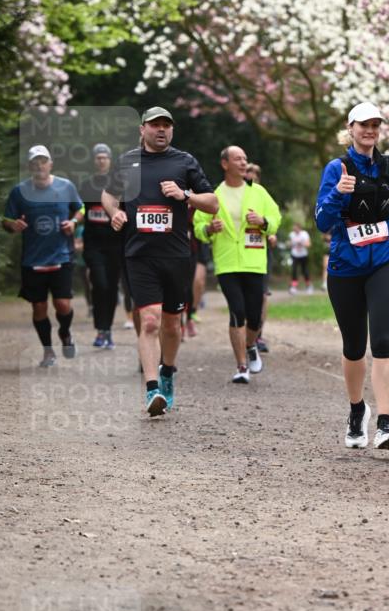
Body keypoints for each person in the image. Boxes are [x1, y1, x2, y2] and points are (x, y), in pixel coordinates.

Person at [101, 106, 218, 416]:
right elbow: (108, 195)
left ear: (172, 130)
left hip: (177, 255)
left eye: (166, 125)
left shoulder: (185, 162)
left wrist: (185, 196)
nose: (161, 130)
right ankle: (152, 388)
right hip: (139, 254)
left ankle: (167, 371)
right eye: (155, 125)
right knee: (150, 319)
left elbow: (213, 203)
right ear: (143, 130)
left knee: (171, 324)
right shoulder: (126, 161)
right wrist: (116, 213)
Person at [315, 102, 389, 450]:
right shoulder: (336, 168)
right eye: (363, 125)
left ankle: (386, 425)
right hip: (346, 268)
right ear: (351, 128)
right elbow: (322, 222)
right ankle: (358, 410)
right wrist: (336, 194)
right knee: (354, 347)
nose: (369, 131)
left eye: (375, 125)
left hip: (386, 261)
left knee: (382, 341)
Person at [193, 146, 281, 383]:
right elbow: (198, 225)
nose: (243, 163)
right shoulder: (214, 195)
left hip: (254, 262)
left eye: (245, 158)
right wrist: (209, 228)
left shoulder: (258, 192)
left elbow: (275, 219)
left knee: (254, 316)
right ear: (225, 164)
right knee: (237, 311)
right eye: (237, 159)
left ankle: (251, 344)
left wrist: (264, 222)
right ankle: (242, 366)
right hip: (227, 262)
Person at [3, 145, 83, 367]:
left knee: (63, 305)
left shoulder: (65, 186)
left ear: (50, 164)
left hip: (62, 256)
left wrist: (74, 222)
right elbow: (5, 220)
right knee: (38, 308)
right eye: (35, 162)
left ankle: (65, 334)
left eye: (43, 161)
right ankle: (48, 352)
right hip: (33, 260)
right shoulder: (19, 191)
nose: (39, 165)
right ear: (30, 166)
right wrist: (13, 225)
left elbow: (81, 208)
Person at [80, 143, 122, 350]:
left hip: (115, 244)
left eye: (105, 157)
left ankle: (108, 331)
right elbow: (78, 210)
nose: (101, 160)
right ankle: (100, 329)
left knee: (112, 287)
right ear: (94, 160)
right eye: (98, 157)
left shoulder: (119, 184)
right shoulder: (86, 185)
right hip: (93, 245)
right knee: (100, 285)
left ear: (110, 160)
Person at [246, 162, 273, 353]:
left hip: (261, 252)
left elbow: (273, 220)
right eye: (249, 172)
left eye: (256, 173)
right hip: (241, 255)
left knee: (262, 296)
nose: (252, 175)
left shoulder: (263, 196)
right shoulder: (234, 195)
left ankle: (258, 335)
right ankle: (245, 335)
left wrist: (270, 230)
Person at [289, 223, 313, 294]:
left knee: (304, 271)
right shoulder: (291, 234)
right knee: (294, 270)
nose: (294, 229)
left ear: (299, 228)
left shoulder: (304, 234)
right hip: (294, 254)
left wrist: (301, 243)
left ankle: (309, 286)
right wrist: (291, 243)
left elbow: (309, 244)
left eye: (296, 228)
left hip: (303, 255)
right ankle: (293, 287)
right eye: (294, 228)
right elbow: (289, 244)